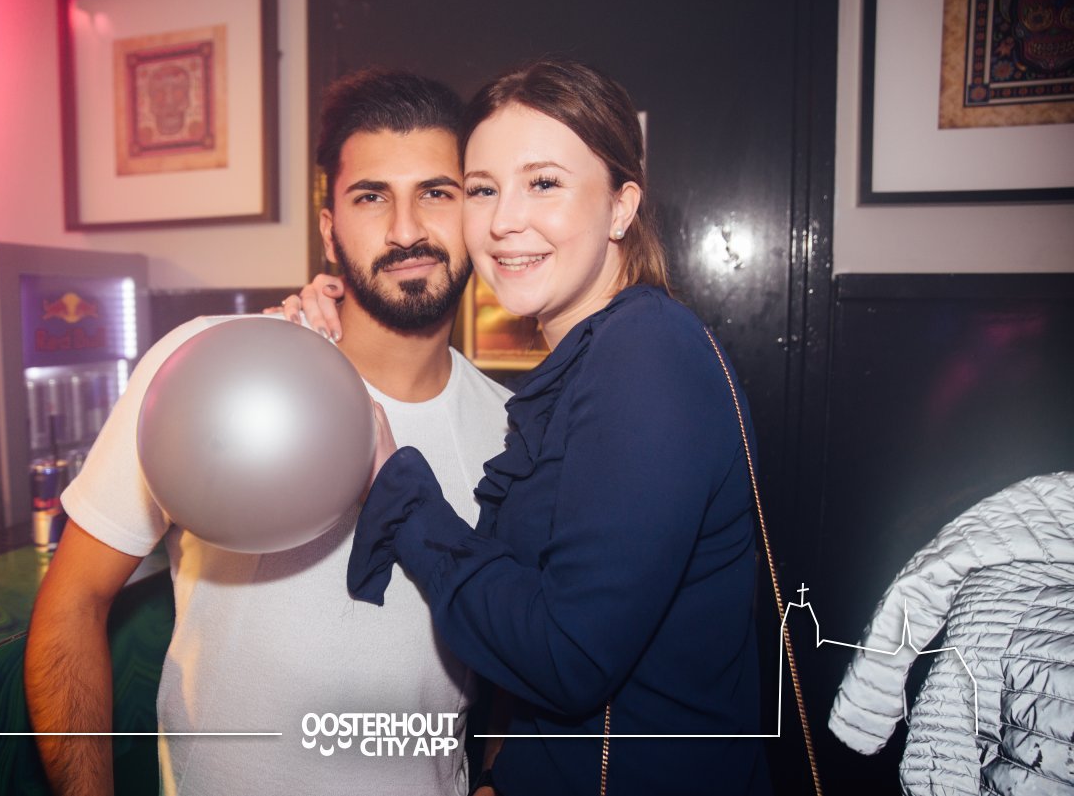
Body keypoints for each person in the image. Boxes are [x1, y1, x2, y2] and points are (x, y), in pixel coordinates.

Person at [23, 69, 511, 796]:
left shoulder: (513, 431)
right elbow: (73, 601)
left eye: (435, 193)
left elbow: (521, 653)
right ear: (329, 229)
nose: (407, 230)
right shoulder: (208, 368)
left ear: (473, 213)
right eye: (371, 196)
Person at [292, 59, 771, 795]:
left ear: (621, 207)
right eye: (483, 189)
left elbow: (569, 658)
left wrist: (398, 489)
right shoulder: (594, 362)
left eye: (543, 182)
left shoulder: (646, 353)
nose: (503, 220)